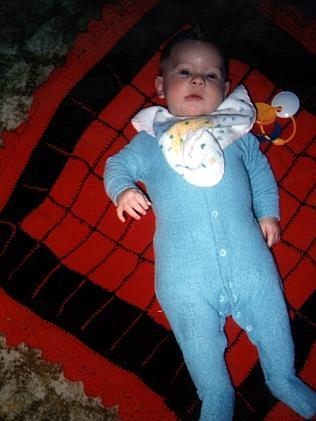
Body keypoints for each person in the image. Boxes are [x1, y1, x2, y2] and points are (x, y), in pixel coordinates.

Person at [104, 32, 316, 420]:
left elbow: (260, 172)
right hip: (185, 277)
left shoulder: (236, 136)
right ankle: (216, 396)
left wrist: (268, 213)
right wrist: (121, 190)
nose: (199, 80)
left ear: (227, 89)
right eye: (185, 71)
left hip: (249, 261)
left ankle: (282, 378)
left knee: (272, 317)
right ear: (160, 85)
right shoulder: (151, 140)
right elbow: (116, 165)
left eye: (212, 75)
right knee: (205, 363)